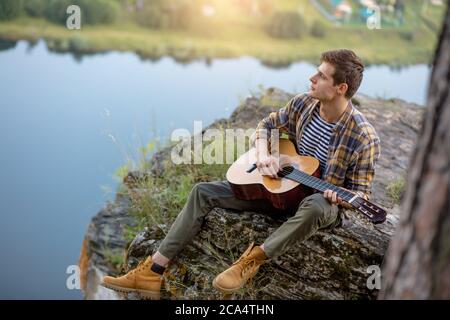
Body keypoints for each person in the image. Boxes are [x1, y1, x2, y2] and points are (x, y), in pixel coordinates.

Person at [101, 49, 381, 300]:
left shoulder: (363, 136)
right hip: (280, 189)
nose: (312, 78)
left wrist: (341, 197)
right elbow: (266, 126)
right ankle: (152, 271)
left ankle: (252, 260)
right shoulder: (303, 104)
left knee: (318, 205)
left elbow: (361, 194)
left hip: (318, 202)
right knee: (202, 192)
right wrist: (265, 156)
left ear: (340, 88)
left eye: (321, 76)